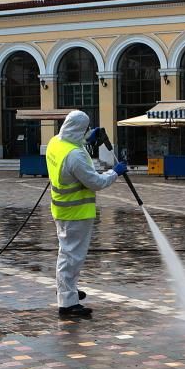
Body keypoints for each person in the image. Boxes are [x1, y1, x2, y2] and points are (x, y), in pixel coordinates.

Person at [46, 110, 128, 318]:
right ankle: (67, 304)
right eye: (86, 129)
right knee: (72, 257)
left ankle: (67, 291)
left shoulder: (55, 142)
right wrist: (115, 172)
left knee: (67, 254)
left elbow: (74, 150)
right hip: (76, 212)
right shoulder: (75, 155)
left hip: (62, 208)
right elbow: (95, 182)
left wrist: (87, 139)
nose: (88, 132)